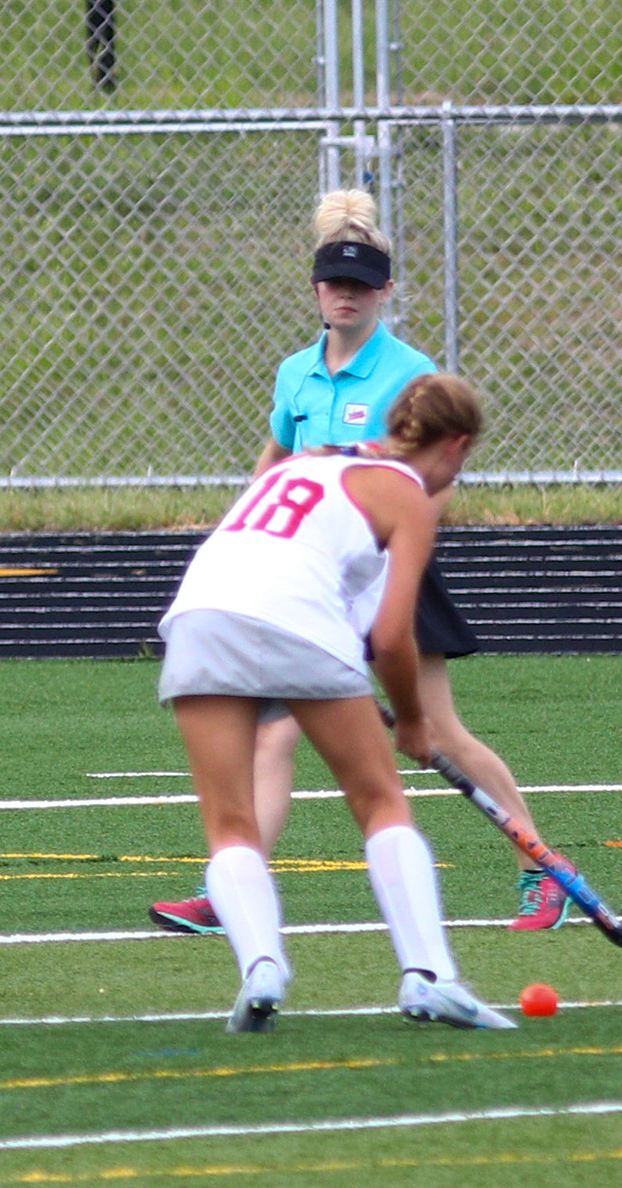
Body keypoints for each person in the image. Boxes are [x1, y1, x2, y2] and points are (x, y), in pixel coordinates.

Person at [150, 188, 574, 937]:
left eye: (359, 285)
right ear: (316, 289)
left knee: (437, 731)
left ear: (386, 291)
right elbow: (278, 458)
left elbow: (432, 481)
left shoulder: (412, 373)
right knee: (273, 733)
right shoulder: (295, 373)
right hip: (307, 578)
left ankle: (542, 870)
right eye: (333, 283)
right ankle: (231, 891)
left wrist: (395, 550)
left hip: (383, 568)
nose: (345, 295)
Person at [163, 373, 517, 1034]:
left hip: (200, 615)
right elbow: (392, 636)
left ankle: (262, 968)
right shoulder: (407, 495)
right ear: (457, 445)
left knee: (230, 823)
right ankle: (430, 977)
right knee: (381, 803)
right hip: (295, 616)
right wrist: (413, 722)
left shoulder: (307, 462)